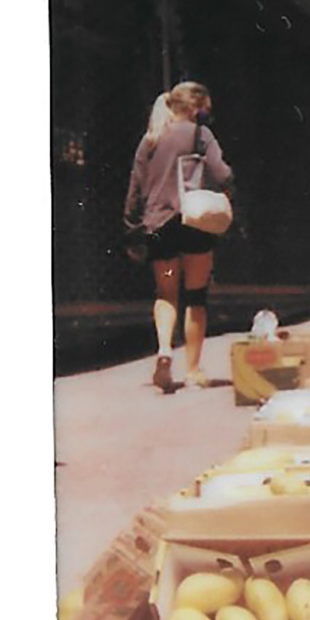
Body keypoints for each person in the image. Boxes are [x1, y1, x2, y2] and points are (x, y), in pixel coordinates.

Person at [122, 79, 235, 391]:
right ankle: (194, 370)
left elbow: (135, 189)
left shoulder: (151, 138)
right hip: (194, 225)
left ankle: (163, 351)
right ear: (195, 108)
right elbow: (222, 172)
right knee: (196, 297)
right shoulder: (202, 135)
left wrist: (132, 230)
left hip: (160, 227)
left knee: (166, 293)